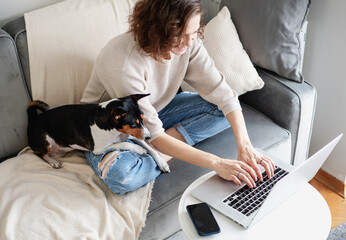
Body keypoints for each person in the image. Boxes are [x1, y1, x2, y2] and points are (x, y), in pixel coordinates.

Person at [81, 0, 275, 194]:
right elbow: (155, 134)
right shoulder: (123, 65)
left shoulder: (189, 44)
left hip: (153, 115)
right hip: (105, 130)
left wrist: (246, 147)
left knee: (223, 111)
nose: (190, 42)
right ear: (158, 29)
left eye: (194, 32)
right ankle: (158, 150)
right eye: (182, 35)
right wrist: (217, 163)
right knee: (122, 177)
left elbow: (224, 94)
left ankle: (156, 149)